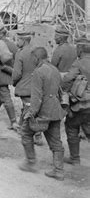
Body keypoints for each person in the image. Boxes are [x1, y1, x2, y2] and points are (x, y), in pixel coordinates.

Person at [18, 47, 66, 180]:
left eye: (33, 58)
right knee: (56, 141)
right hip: (55, 110)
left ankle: (30, 162)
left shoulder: (38, 72)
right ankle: (59, 170)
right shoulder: (54, 70)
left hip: (43, 112)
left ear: (36, 58)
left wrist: (30, 113)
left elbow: (37, 97)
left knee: (26, 133)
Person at [61, 36, 90, 165]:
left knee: (71, 126)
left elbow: (67, 79)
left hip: (83, 104)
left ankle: (75, 158)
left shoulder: (79, 63)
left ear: (80, 50)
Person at [12, 31, 42, 144]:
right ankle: (21, 126)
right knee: (28, 107)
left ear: (23, 40)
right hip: (37, 85)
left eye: (18, 40)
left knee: (30, 109)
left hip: (25, 86)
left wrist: (14, 82)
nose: (16, 42)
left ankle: (38, 134)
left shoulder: (20, 53)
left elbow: (17, 73)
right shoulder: (37, 51)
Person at [0, 24, 19, 130]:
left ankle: (13, 121)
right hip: (10, 73)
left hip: (1, 75)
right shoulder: (12, 45)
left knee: (5, 96)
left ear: (1, 34)